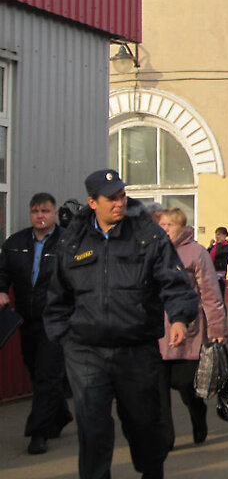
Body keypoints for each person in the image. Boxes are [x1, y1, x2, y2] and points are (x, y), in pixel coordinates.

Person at [44, 169, 198, 479]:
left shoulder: (147, 236)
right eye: (111, 198)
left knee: (143, 424)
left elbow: (176, 283)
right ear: (92, 202)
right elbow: (57, 297)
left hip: (136, 350)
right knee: (92, 428)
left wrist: (180, 319)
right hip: (86, 352)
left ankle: (151, 471)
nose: (119, 203)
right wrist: (64, 339)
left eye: (122, 196)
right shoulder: (72, 242)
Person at [0, 192, 74, 455]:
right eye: (35, 211)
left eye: (44, 211)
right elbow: (2, 271)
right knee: (36, 370)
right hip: (27, 319)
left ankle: (38, 433)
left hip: (55, 320)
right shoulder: (15, 242)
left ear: (55, 214)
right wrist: (1, 290)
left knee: (46, 373)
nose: (40, 216)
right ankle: (61, 413)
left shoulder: (68, 241)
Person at [156, 208, 227, 447]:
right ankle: (166, 438)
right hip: (156, 331)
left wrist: (216, 329)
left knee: (186, 384)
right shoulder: (153, 250)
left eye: (170, 225)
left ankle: (198, 416)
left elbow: (210, 293)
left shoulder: (196, 252)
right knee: (159, 388)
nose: (164, 229)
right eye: (162, 224)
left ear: (182, 227)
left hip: (188, 330)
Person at [207, 227, 228, 298]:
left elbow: (219, 254)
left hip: (220, 273)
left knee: (219, 296)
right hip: (211, 273)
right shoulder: (214, 247)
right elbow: (206, 255)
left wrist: (218, 244)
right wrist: (210, 247)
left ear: (224, 235)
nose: (217, 237)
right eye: (216, 235)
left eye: (219, 234)